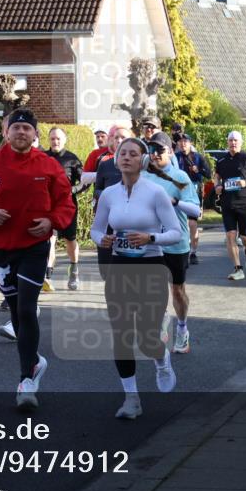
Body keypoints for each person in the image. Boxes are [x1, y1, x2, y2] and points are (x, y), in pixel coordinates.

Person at [0, 109, 75, 411]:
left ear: (35, 134)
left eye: (27, 128)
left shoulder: (49, 166)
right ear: (6, 132)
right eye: (16, 128)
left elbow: (66, 203)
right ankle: (35, 361)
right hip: (1, 249)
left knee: (26, 308)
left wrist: (52, 222)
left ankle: (26, 380)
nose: (21, 133)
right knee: (15, 310)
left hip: (35, 247)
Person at [91, 137, 182, 419]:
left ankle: (161, 359)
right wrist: (103, 239)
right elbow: (95, 230)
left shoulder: (155, 193)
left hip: (151, 266)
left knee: (146, 338)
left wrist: (149, 237)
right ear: (116, 159)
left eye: (133, 154)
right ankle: (131, 398)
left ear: (142, 161)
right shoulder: (108, 194)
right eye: (122, 153)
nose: (126, 157)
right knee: (121, 335)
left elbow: (175, 232)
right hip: (119, 268)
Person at [144, 132, 201, 354]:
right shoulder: (143, 177)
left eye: (159, 150)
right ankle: (160, 320)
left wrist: (175, 201)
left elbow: (196, 210)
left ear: (169, 151)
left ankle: (182, 328)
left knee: (177, 290)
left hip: (175, 243)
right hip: (150, 242)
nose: (155, 154)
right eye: (151, 150)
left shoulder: (180, 177)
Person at [212, 130, 246, 280]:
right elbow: (216, 177)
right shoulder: (222, 161)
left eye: (236, 140)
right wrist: (217, 186)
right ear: (227, 142)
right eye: (230, 140)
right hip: (227, 203)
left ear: (240, 143)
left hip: (244, 202)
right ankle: (238, 268)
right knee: (230, 236)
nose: (233, 143)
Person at [44, 127, 85, 291]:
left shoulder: (72, 159)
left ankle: (74, 269)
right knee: (49, 240)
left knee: (70, 240)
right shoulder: (43, 157)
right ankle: (47, 277)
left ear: (64, 140)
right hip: (47, 206)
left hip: (68, 207)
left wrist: (73, 190)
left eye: (58, 139)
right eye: (53, 139)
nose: (55, 142)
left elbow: (85, 181)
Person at [93, 127, 134, 280]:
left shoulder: (142, 165)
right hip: (108, 219)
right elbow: (97, 189)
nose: (118, 140)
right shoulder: (104, 164)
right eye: (116, 137)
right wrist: (106, 196)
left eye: (122, 137)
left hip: (131, 220)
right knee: (105, 265)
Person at [174, 132, 210, 264]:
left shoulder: (198, 157)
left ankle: (193, 252)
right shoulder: (174, 157)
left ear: (190, 143)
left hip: (193, 191)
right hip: (178, 191)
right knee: (180, 223)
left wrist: (198, 170)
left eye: (186, 141)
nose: (183, 144)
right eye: (181, 141)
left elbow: (208, 174)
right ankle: (183, 250)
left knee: (193, 223)